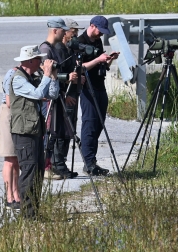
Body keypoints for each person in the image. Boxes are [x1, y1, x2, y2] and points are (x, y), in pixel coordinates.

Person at [10, 45, 60, 218]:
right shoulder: (18, 79)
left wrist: (52, 77)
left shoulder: (32, 78)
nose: (41, 62)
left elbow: (51, 95)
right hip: (23, 133)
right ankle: (27, 215)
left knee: (38, 172)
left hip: (35, 131)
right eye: (38, 59)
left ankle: (34, 212)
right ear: (30, 60)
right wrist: (46, 75)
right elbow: (39, 94)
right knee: (29, 172)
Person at [78, 15, 119, 176]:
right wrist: (97, 59)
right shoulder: (80, 42)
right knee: (89, 123)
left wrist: (109, 60)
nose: (101, 34)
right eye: (99, 31)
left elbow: (101, 64)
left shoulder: (97, 41)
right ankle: (89, 162)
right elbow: (80, 68)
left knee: (99, 123)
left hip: (100, 86)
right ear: (92, 26)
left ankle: (91, 160)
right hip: (88, 88)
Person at [39, 17, 80, 179]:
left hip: (56, 95)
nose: (65, 32)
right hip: (48, 98)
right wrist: (67, 78)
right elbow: (46, 74)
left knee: (55, 131)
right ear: (55, 30)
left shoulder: (54, 48)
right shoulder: (45, 49)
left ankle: (51, 165)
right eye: (62, 29)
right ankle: (46, 166)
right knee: (48, 132)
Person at [0, 68, 21, 210]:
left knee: (16, 159)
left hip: (17, 116)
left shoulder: (29, 74)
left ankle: (16, 193)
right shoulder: (13, 74)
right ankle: (9, 196)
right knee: (9, 159)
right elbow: (10, 101)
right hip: (8, 114)